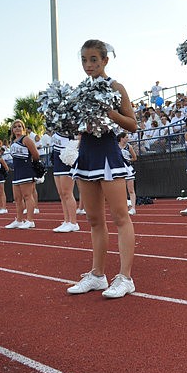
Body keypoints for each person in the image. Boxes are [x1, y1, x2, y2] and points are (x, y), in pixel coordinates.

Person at [65, 40, 138, 298]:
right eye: (84, 60)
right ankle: (97, 275)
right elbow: (76, 126)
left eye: (94, 59)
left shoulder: (115, 87)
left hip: (108, 154)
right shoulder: (79, 91)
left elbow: (132, 124)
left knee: (120, 217)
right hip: (86, 156)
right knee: (94, 220)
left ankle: (125, 277)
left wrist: (109, 112)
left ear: (105, 60)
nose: (88, 65)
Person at [4, 120, 39, 230]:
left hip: (26, 171)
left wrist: (30, 166)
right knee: (17, 198)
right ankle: (19, 220)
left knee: (28, 196)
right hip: (17, 172)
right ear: (12, 130)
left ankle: (30, 220)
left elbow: (36, 155)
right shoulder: (13, 142)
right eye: (15, 127)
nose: (17, 128)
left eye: (19, 126)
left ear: (23, 128)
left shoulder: (26, 139)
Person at [51, 131, 80, 232]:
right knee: (61, 194)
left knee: (67, 193)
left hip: (66, 163)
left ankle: (73, 222)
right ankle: (67, 221)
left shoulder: (69, 129)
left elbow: (79, 138)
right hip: (57, 163)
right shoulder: (55, 130)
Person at [118, 132, 138, 215]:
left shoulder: (129, 147)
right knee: (121, 191)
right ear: (121, 138)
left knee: (131, 190)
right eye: (126, 137)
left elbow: (134, 158)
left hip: (128, 169)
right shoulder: (115, 146)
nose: (128, 138)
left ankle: (133, 208)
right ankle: (126, 205)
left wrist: (128, 160)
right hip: (118, 169)